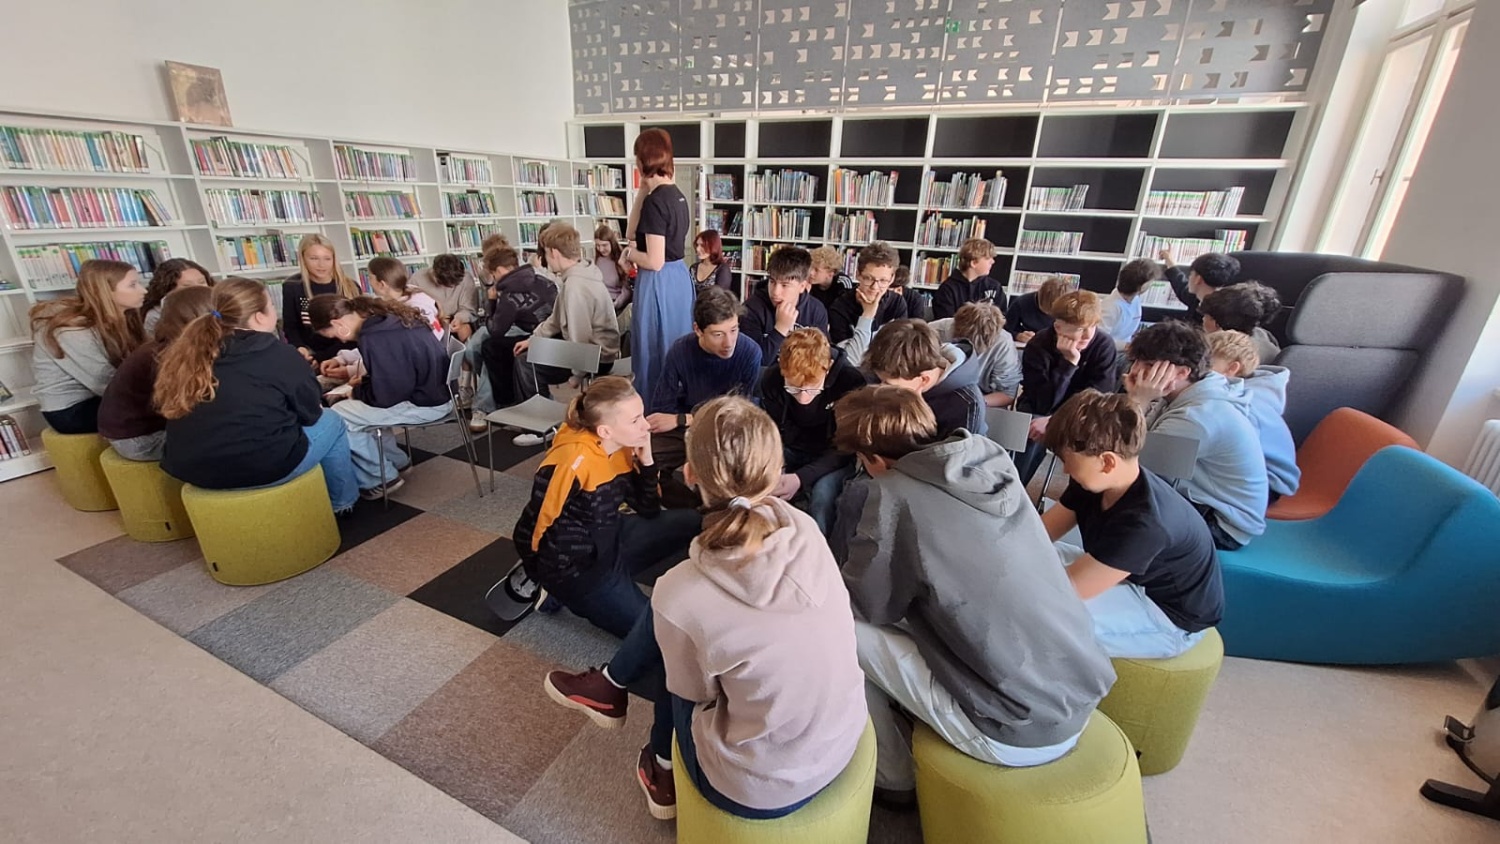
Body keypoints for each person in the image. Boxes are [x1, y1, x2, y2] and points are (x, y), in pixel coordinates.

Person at [543, 397, 866, 821]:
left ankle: (660, 765)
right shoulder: (804, 528)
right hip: (842, 739)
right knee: (679, 624)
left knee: (675, 650)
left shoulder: (682, 592)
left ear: (690, 473)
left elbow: (694, 692)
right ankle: (610, 684)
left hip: (759, 789)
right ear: (776, 467)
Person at [830, 386, 1114, 801]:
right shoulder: (989, 456)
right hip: (1076, 694)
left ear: (871, 458)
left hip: (1013, 730)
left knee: (836, 630)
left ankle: (892, 776)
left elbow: (865, 604)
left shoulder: (891, 493)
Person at [512, 376, 702, 638]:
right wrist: (544, 574)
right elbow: (528, 530)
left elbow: (648, 509)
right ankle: (552, 591)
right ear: (604, 431)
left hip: (610, 536)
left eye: (642, 415)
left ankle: (597, 587)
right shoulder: (569, 464)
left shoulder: (621, 447)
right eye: (635, 420)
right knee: (657, 637)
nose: (646, 425)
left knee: (694, 521)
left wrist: (647, 462)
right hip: (579, 570)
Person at [1040, 390, 1224, 658]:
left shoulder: (1146, 522)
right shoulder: (1094, 482)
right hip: (1129, 577)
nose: (1065, 470)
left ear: (1107, 462)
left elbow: (1067, 592)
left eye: (1068, 462)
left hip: (1167, 616)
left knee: (1043, 618)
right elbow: (1039, 534)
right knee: (1036, 559)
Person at [155, 278, 358, 514]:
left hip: (189, 468)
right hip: (259, 468)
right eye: (271, 305)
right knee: (332, 421)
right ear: (260, 317)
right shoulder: (278, 353)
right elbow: (311, 413)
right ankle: (343, 503)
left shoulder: (189, 351)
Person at [1123, 322, 1267, 550]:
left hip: (1221, 524)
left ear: (1182, 372)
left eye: (1149, 365)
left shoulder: (1198, 417)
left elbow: (1134, 469)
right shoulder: (1191, 390)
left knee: (1116, 492)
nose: (1135, 372)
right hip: (1201, 500)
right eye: (1136, 362)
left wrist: (1138, 401)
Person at [308, 295, 452, 500]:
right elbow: (397, 374)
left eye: (330, 334)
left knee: (339, 415)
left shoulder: (374, 337)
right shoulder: (390, 321)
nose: (339, 340)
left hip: (425, 403)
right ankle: (397, 461)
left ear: (338, 324)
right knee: (358, 410)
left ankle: (380, 479)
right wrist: (365, 384)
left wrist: (356, 391)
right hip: (436, 392)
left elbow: (387, 396)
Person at [510, 223, 621, 444]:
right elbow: (555, 319)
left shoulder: (575, 286)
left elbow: (580, 337)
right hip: (596, 350)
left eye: (545, 253)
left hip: (595, 358)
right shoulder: (583, 272)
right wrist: (534, 339)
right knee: (530, 353)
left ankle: (540, 428)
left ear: (553, 252)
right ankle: (544, 412)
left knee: (526, 363)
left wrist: (576, 375)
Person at [647, 287, 763, 483]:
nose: (729, 343)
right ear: (698, 330)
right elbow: (662, 408)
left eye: (734, 330)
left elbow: (737, 415)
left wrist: (684, 419)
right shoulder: (680, 350)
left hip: (727, 431)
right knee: (645, 452)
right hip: (685, 428)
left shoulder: (750, 353)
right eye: (718, 334)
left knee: (729, 463)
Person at [758, 328, 868, 534]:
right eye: (793, 388)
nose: (803, 398)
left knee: (822, 498)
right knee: (758, 483)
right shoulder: (772, 379)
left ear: (828, 367)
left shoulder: (851, 382)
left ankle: (819, 548)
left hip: (833, 454)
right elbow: (771, 432)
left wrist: (801, 478)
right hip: (789, 447)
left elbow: (845, 447)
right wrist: (776, 464)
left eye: (812, 388)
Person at [620, 128, 695, 414]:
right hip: (678, 279)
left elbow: (653, 260)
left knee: (652, 348)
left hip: (658, 281)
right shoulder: (676, 196)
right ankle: (672, 408)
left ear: (641, 160)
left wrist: (628, 254)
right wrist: (642, 189)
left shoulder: (655, 202)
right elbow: (631, 231)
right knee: (675, 343)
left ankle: (652, 411)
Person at [30, 259, 147, 434]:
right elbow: (105, 382)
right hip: (71, 409)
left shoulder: (124, 317)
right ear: (105, 291)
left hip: (103, 396)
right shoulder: (71, 331)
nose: (144, 290)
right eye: (133, 285)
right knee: (166, 412)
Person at [1014, 290, 1119, 483]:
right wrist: (1068, 364)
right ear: (1058, 327)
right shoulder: (1038, 344)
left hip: (1082, 415)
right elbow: (1041, 403)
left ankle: (1080, 493)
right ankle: (1016, 486)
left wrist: (1056, 420)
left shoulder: (1104, 346)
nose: (1087, 334)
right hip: (1038, 410)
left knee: (1096, 439)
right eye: (1080, 328)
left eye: (1093, 326)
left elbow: (1097, 399)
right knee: (1032, 428)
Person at [98, 286, 213, 462]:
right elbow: (187, 405)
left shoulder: (168, 347)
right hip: (139, 439)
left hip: (140, 430)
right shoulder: (165, 357)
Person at [1207, 330, 1300, 500]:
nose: (1198, 370)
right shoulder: (1250, 392)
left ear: (1232, 368)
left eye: (1207, 364)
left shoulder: (1245, 404)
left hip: (1267, 484)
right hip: (1253, 474)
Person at [865, 319, 986, 438]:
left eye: (888, 384)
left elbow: (948, 452)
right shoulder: (893, 367)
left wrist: (914, 408)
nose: (878, 388)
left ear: (924, 380)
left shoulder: (967, 406)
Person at [479, 244, 558, 414]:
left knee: (490, 347)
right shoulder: (542, 279)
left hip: (538, 341)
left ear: (500, 270)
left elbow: (496, 330)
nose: (494, 279)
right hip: (556, 336)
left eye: (493, 274)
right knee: (504, 346)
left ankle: (506, 401)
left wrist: (491, 302)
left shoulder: (509, 294)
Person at [740, 246, 830, 362]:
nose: (775, 292)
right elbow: (755, 362)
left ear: (802, 286)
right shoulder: (751, 308)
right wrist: (780, 329)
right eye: (772, 282)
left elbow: (821, 358)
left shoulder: (816, 310)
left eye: (785, 285)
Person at [281, 233, 361, 364]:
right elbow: (291, 326)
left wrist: (323, 358)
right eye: (314, 258)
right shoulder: (292, 287)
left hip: (347, 354)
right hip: (311, 354)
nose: (321, 265)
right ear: (303, 258)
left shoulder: (350, 286)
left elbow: (357, 331)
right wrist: (300, 348)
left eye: (327, 259)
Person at [935, 302, 1021, 408]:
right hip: (937, 395)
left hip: (982, 400)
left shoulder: (1003, 343)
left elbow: (1007, 394)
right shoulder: (934, 331)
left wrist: (972, 403)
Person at [827, 241, 906, 344]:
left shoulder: (897, 303)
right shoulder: (839, 308)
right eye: (868, 278)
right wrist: (867, 316)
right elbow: (846, 353)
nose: (875, 287)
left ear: (892, 279)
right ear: (857, 274)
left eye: (883, 280)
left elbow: (899, 347)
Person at [1201, 281, 1282, 365]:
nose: (1203, 320)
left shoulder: (1224, 355)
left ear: (1217, 324)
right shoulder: (1263, 335)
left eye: (1206, 317)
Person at [409, 253, 482, 344]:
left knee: (464, 329)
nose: (451, 288)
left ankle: (465, 351)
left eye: (454, 285)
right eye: (447, 285)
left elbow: (469, 308)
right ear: (434, 274)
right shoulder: (417, 279)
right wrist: (435, 319)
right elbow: (410, 308)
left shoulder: (465, 278)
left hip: (455, 318)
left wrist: (459, 318)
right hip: (429, 319)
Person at [365, 257, 441, 339]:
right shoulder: (410, 291)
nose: (369, 282)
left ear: (382, 284)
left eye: (370, 277)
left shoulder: (411, 309)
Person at [931, 237, 1007, 320]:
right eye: (988, 258)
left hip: (989, 328)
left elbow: (1002, 318)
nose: (992, 261)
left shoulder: (994, 287)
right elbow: (945, 323)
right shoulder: (947, 290)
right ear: (973, 263)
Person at [1161, 249, 1240, 324]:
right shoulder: (1199, 298)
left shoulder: (1212, 317)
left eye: (1191, 274)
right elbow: (1180, 284)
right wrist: (1168, 259)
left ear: (1198, 279)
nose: (1189, 277)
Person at [139, 258, 213, 337]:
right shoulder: (156, 316)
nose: (198, 289)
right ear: (169, 290)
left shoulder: (215, 303)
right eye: (187, 286)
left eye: (202, 282)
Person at [1100, 258, 1160, 350]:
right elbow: (1101, 340)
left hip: (1127, 348)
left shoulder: (1135, 299)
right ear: (1143, 287)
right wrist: (1128, 346)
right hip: (1112, 351)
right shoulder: (1110, 307)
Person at [1005, 276, 1066, 342]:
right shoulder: (1020, 302)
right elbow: (1005, 329)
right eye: (1045, 309)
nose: (1048, 314)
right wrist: (1017, 336)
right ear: (1038, 294)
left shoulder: (1069, 308)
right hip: (1028, 341)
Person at [594, 224, 631, 313]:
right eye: (598, 245)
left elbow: (627, 289)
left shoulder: (622, 260)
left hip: (616, 304)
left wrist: (615, 304)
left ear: (612, 242)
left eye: (604, 245)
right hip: (600, 302)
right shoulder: (597, 260)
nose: (601, 249)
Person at [808, 245, 855, 310]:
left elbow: (845, 309)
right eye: (811, 268)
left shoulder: (843, 282)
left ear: (831, 273)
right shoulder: (807, 282)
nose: (811, 272)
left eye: (816, 270)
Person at [691, 229, 734, 295]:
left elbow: (720, 297)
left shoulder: (722, 269)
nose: (697, 249)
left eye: (702, 245)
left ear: (713, 246)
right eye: (697, 245)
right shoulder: (693, 268)